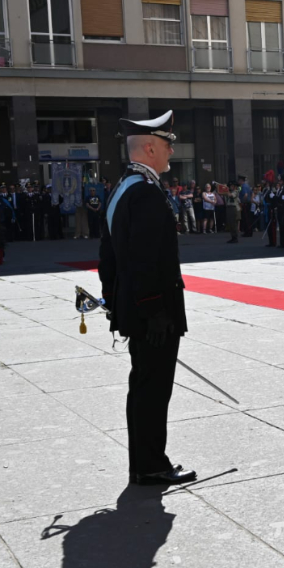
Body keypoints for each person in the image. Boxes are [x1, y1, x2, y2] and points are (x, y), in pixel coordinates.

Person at [98, 110, 194, 486]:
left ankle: (143, 463)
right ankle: (152, 464)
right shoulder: (147, 194)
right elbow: (144, 260)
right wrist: (154, 309)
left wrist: (114, 302)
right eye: (168, 145)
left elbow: (108, 257)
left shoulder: (123, 188)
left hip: (136, 308)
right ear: (151, 147)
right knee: (153, 389)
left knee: (142, 386)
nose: (172, 151)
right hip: (154, 313)